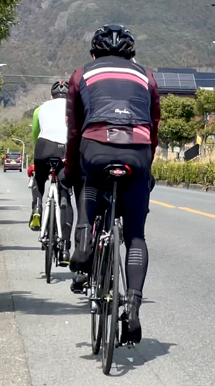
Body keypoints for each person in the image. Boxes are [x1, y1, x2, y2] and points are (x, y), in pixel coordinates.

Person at [63, 23, 159, 345]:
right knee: (135, 236)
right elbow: (154, 126)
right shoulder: (147, 77)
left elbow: (74, 131)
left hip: (95, 150)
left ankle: (84, 242)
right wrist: (147, 168)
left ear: (94, 52)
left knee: (88, 180)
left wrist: (71, 169)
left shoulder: (81, 75)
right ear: (132, 54)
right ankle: (132, 307)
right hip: (138, 154)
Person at [30, 80, 73, 263]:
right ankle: (64, 248)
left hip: (44, 147)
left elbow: (35, 133)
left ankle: (37, 207)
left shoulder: (41, 108)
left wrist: (37, 159)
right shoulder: (74, 107)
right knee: (65, 192)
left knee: (39, 178)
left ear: (51, 96)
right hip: (66, 148)